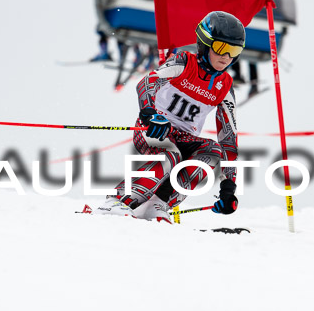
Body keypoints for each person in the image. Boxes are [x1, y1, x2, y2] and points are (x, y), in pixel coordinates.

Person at [94, 11, 244, 223]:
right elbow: (147, 82)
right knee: (170, 155)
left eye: (234, 50)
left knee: (212, 152)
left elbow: (229, 139)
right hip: (156, 128)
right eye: (221, 48)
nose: (227, 57)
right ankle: (117, 200)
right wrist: (149, 113)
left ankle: (157, 205)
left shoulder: (225, 87)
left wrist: (229, 186)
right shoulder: (184, 62)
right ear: (205, 43)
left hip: (184, 137)